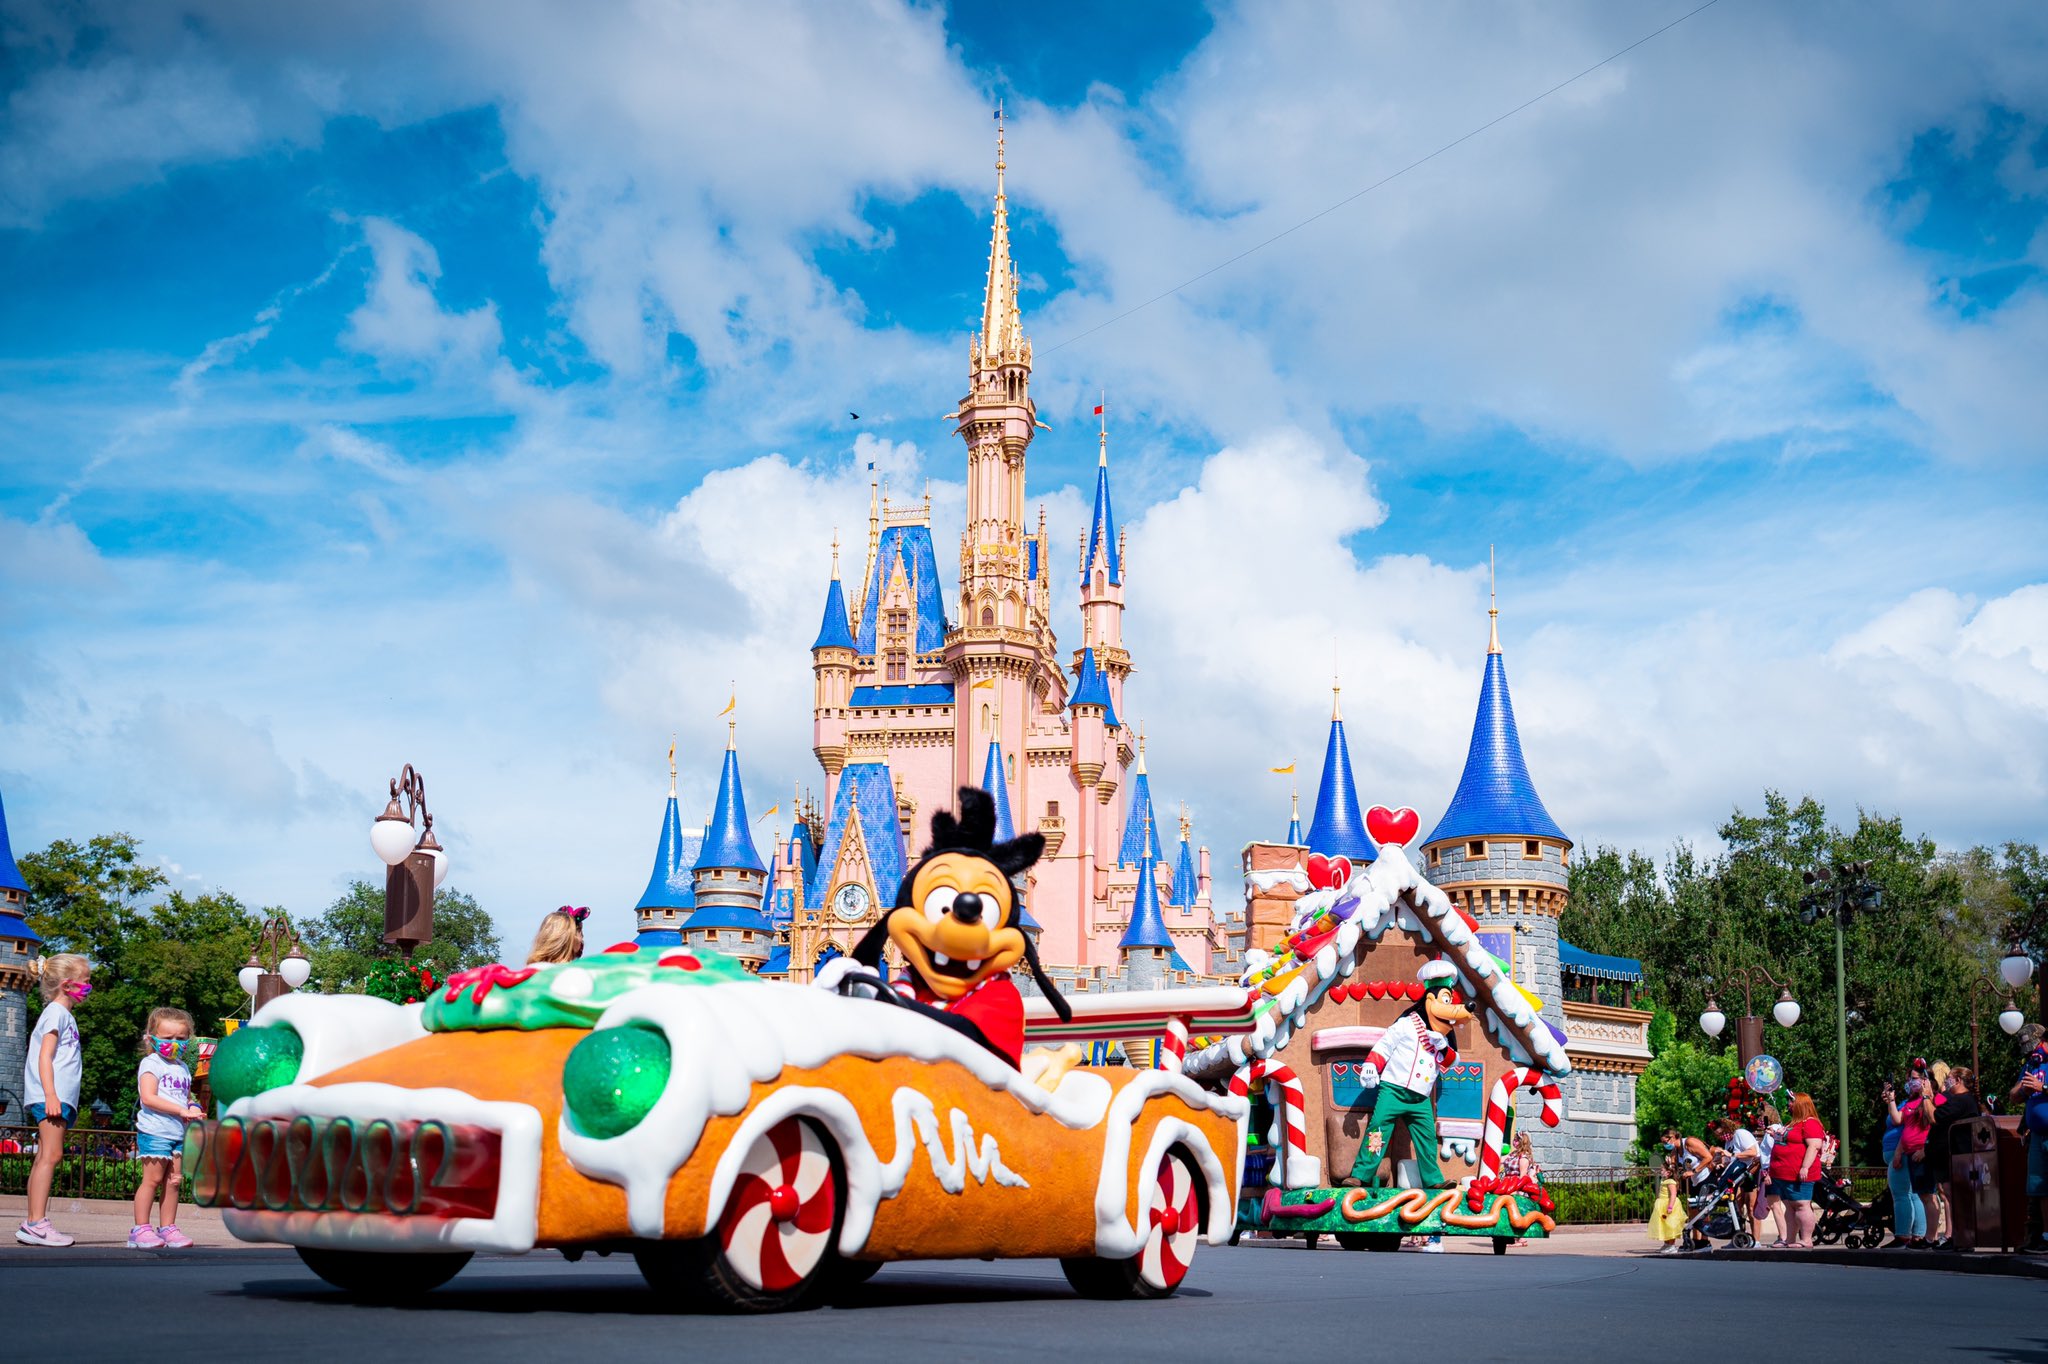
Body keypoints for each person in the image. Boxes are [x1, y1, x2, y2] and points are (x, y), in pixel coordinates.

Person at [17, 954, 90, 1248]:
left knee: (44, 1156)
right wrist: (50, 1095)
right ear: (66, 984)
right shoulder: (56, 1013)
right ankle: (37, 1223)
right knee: (51, 1156)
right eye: (85, 981)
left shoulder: (63, 1015)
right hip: (53, 1097)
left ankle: (32, 1222)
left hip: (57, 1097)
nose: (89, 986)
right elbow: (44, 1056)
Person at [130, 1007, 206, 1251]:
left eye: (181, 1039)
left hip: (176, 1132)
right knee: (152, 1180)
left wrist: (192, 1106)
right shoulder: (151, 1063)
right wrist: (181, 1111)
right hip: (155, 1131)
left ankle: (168, 1228)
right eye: (168, 1038)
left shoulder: (182, 1067)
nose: (175, 1043)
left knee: (174, 1181)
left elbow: (184, 1097)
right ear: (152, 1037)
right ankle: (140, 1229)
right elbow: (148, 1098)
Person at [1925, 1064, 1980, 1250]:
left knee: (1955, 1196)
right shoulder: (1959, 1100)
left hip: (1959, 1156)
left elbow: (1934, 1117)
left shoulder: (1962, 1100)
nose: (1947, 1080)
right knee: (1950, 1194)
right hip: (1953, 1155)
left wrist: (1925, 1096)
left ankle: (1961, 1236)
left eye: (1950, 1077)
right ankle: (1958, 1235)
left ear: (1957, 1080)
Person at [1768, 1092, 1826, 1249]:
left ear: (1801, 1104)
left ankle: (1806, 1239)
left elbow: (1814, 1146)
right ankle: (1790, 1239)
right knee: (1790, 1206)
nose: (1788, 1104)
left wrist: (1805, 1167)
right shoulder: (1793, 1123)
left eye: (1791, 1101)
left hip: (1799, 1174)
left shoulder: (1810, 1123)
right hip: (1784, 1175)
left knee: (1801, 1204)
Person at [2009, 1036, 2048, 1255]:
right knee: (2041, 1190)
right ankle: (2045, 1238)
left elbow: (2041, 1088)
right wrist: (2024, 1089)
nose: (2039, 1047)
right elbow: (2013, 1096)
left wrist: (2042, 1087)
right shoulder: (2033, 1063)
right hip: (2037, 1136)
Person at [1883, 1075, 1931, 1247]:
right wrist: (1891, 1100)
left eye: (1914, 1078)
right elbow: (1897, 1119)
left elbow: (1909, 1129)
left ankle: (1907, 1235)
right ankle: (1915, 1235)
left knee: (1904, 1195)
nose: (1910, 1082)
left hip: (1903, 1152)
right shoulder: (1908, 1103)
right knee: (1910, 1194)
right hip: (1899, 1151)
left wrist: (1898, 1152)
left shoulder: (1924, 1102)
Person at [1713, 1116, 1762, 1239]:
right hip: (1738, 1176)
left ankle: (1756, 1239)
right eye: (1718, 1135)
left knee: (1751, 1208)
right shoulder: (1728, 1141)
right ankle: (1738, 1236)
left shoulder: (1741, 1134)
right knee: (1736, 1207)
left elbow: (1753, 1152)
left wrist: (1733, 1154)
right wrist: (1721, 1161)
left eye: (1721, 1133)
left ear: (1727, 1128)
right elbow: (1731, 1159)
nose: (1720, 1137)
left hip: (1750, 1171)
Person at [1651, 1155, 1686, 1254]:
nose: (1660, 1171)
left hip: (1669, 1204)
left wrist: (1670, 1206)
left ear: (1668, 1172)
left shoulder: (1670, 1181)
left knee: (1670, 1226)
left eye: (1662, 1170)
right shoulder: (1664, 1180)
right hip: (1662, 1204)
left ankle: (1672, 1245)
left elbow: (1673, 1195)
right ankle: (1666, 1244)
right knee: (1664, 1226)